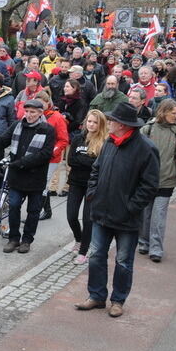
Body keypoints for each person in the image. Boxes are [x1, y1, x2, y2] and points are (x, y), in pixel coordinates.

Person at [79, 102, 160, 318]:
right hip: (101, 212)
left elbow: (150, 185)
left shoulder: (146, 148)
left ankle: (118, 300)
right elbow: (96, 170)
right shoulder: (110, 142)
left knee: (124, 261)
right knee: (96, 255)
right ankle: (96, 296)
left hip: (127, 218)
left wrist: (131, 207)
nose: (109, 122)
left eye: (113, 120)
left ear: (122, 125)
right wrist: (93, 193)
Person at [0, 99, 56, 253]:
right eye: (27, 111)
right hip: (16, 176)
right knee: (13, 206)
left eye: (33, 112)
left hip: (35, 177)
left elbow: (45, 154)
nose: (29, 115)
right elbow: (1, 141)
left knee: (33, 210)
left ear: (40, 113)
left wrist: (21, 162)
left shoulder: (48, 130)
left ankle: (27, 240)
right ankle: (13, 238)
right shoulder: (17, 126)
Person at [138, 100, 176, 261]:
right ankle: (143, 242)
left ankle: (156, 249)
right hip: (146, 179)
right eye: (174, 113)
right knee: (145, 214)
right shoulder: (148, 128)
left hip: (166, 179)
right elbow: (137, 148)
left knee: (159, 216)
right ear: (163, 112)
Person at [66, 109, 107, 264]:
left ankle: (83, 251)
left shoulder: (104, 142)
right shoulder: (78, 138)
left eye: (95, 122)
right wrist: (89, 161)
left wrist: (83, 160)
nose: (91, 124)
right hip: (76, 182)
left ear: (100, 124)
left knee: (88, 219)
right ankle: (79, 238)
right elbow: (71, 160)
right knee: (71, 216)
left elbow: (99, 165)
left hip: (92, 185)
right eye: (89, 121)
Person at [37, 90, 70, 218]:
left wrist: (52, 151)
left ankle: (41, 211)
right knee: (41, 183)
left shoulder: (57, 117)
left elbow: (63, 139)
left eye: (41, 104)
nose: (38, 107)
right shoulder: (36, 115)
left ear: (47, 103)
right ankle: (46, 210)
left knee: (43, 183)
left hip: (51, 157)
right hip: (37, 156)